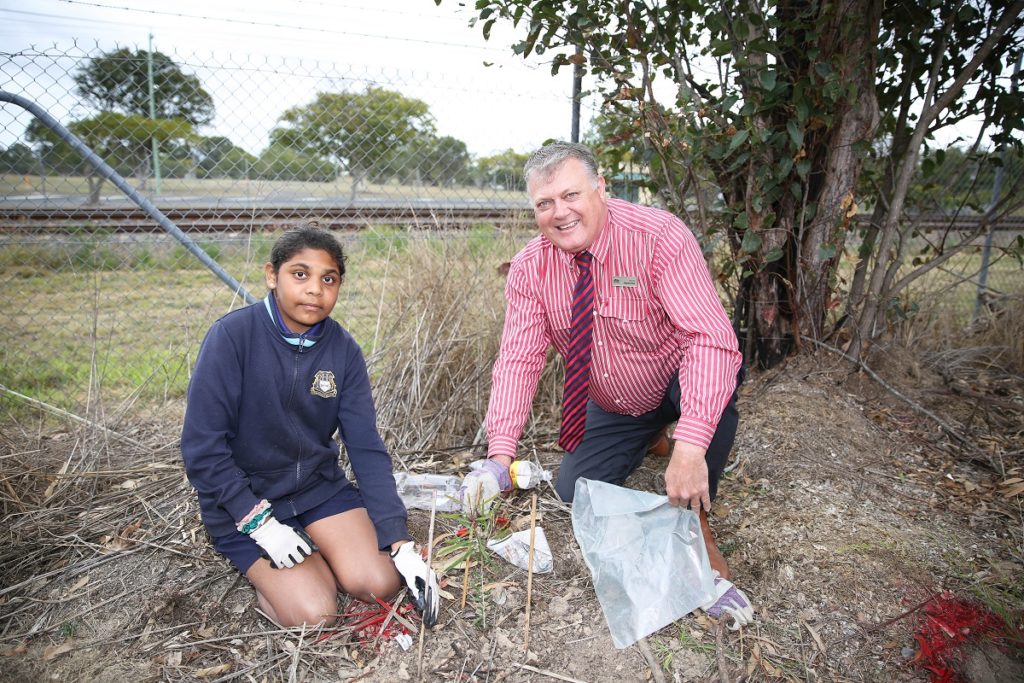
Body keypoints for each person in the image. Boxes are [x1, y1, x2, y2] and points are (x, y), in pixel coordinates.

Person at [463, 141, 745, 587]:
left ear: (601, 188)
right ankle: (649, 432)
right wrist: (499, 457)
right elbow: (519, 359)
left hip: (678, 374)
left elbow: (709, 340)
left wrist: (691, 448)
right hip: (616, 398)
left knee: (716, 384)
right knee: (574, 491)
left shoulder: (658, 237)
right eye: (545, 203)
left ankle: (697, 526)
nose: (560, 213)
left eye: (571, 195)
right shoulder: (529, 269)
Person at [181, 225, 438, 628]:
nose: (315, 289)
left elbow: (366, 448)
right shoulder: (232, 337)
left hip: (316, 489)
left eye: (328, 279)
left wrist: (400, 541)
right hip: (245, 499)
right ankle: (288, 572)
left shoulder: (344, 351)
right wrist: (258, 523)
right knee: (316, 614)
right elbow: (202, 447)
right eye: (300, 274)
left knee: (379, 582)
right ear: (272, 275)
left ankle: (315, 546)